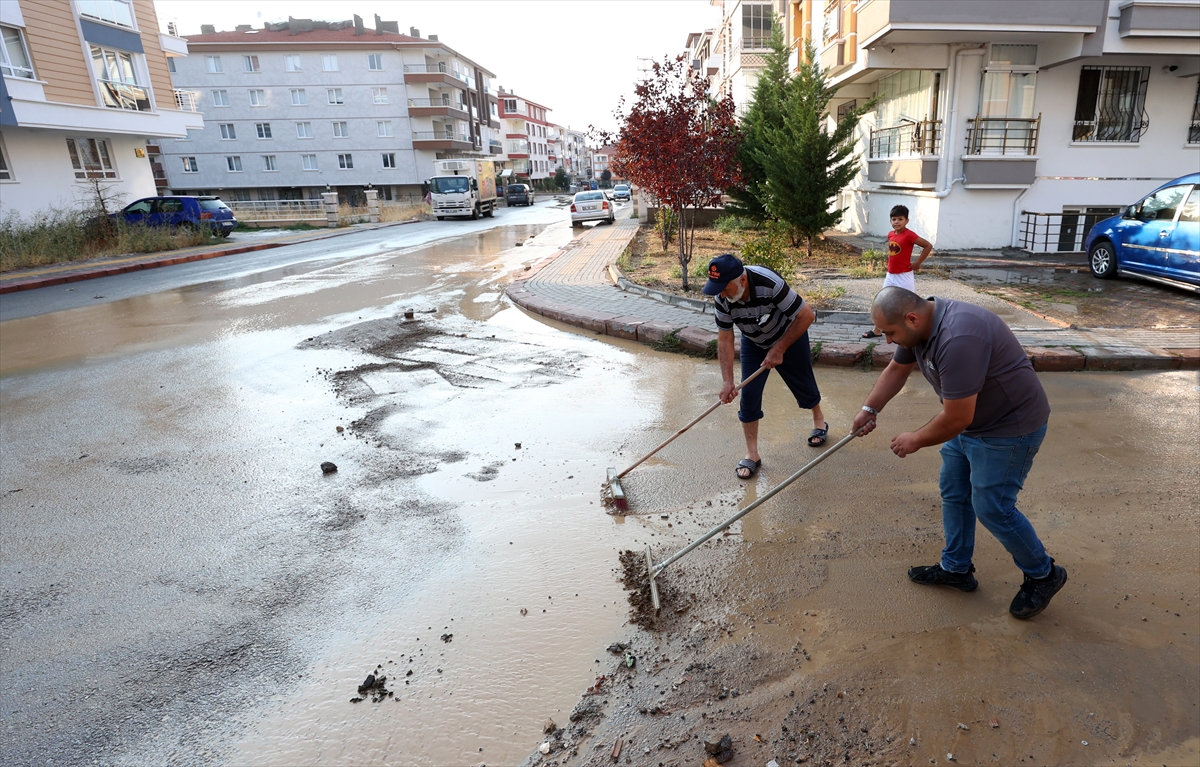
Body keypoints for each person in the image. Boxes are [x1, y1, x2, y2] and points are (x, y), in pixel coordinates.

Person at [851, 287, 1068, 619]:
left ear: (911, 318)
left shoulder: (958, 337)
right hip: (972, 424)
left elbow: (956, 417)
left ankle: (1044, 574)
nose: (890, 341)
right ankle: (956, 569)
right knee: (955, 492)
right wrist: (870, 408)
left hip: (1009, 427)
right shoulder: (918, 327)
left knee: (993, 507)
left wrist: (916, 439)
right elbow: (896, 370)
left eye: (891, 333)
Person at [703, 254, 828, 480]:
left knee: (803, 381)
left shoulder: (768, 283)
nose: (721, 294)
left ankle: (818, 419)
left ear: (742, 280)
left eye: (725, 288)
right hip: (754, 341)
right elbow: (725, 339)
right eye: (718, 289)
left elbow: (807, 315)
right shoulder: (722, 298)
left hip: (789, 333)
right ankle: (752, 453)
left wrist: (779, 349)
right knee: (748, 394)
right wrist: (727, 380)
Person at [863, 204, 933, 338]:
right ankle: (878, 330)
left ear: (907, 220)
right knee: (883, 301)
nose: (896, 222)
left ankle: (919, 330)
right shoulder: (891, 234)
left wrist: (918, 263)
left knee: (910, 303)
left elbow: (928, 246)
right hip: (890, 275)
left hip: (904, 275)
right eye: (894, 219)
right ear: (890, 221)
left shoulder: (909, 235)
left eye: (900, 219)